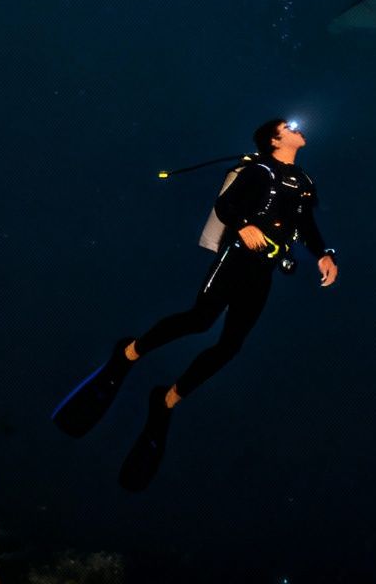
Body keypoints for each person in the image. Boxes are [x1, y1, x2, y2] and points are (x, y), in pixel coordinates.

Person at [51, 118, 340, 490]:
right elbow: (226, 204)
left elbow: (307, 225)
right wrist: (242, 226)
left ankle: (166, 401)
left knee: (231, 345)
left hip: (264, 269)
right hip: (236, 257)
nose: (299, 129)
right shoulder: (258, 169)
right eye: (290, 125)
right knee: (201, 319)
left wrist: (324, 254)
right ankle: (127, 354)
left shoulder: (303, 183)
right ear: (274, 138)